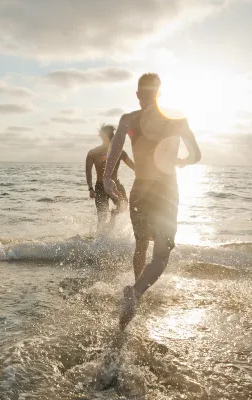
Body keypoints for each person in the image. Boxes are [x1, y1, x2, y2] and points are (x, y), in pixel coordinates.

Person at [103, 73, 201, 329]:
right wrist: (182, 161)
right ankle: (136, 293)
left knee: (140, 244)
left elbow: (114, 149)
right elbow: (196, 154)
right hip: (167, 189)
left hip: (140, 188)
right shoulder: (178, 120)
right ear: (159, 94)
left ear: (138, 95)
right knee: (161, 254)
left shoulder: (129, 119)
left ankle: (135, 295)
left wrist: (106, 178)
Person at [86, 124, 135, 232]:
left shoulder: (120, 152)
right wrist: (90, 188)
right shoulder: (93, 153)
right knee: (102, 217)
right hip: (100, 187)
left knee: (124, 206)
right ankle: (99, 240)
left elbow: (133, 167)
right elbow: (88, 171)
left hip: (115, 185)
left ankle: (113, 215)